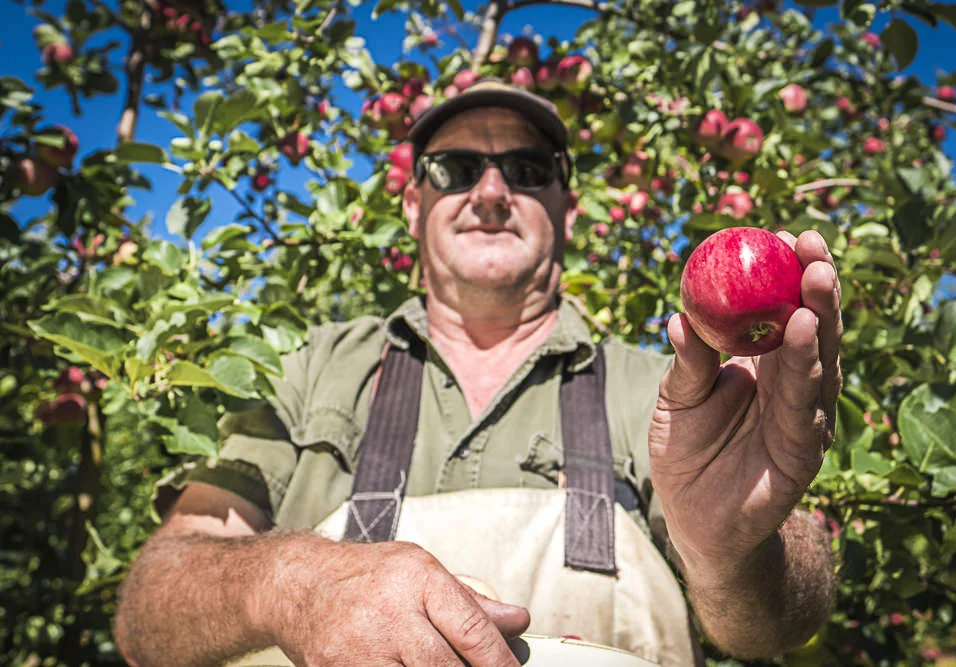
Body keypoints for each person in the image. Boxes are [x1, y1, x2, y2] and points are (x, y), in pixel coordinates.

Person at [113, 79, 843, 667]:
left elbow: (777, 627)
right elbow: (150, 608)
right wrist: (292, 579)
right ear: (411, 205)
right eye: (456, 169)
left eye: (527, 171)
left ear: (568, 210)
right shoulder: (312, 372)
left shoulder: (671, 392)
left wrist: (733, 554)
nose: (492, 192)